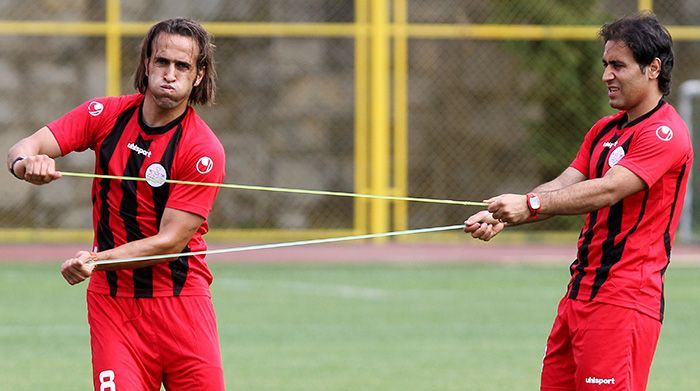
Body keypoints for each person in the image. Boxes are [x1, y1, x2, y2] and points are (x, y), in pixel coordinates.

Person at [464, 12, 693, 391]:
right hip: (578, 295)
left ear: (653, 69)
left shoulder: (666, 133)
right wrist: (506, 214)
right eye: (605, 65)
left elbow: (608, 189)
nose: (606, 76)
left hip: (624, 302)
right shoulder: (604, 129)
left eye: (618, 65)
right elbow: (564, 184)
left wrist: (530, 206)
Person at [6, 18, 226, 390]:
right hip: (114, 306)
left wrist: (96, 260)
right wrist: (27, 165)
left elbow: (170, 242)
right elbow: (22, 148)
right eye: (162, 62)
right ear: (146, 64)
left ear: (199, 75)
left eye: (182, 66)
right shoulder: (105, 115)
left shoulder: (203, 150)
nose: (170, 74)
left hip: (182, 306)